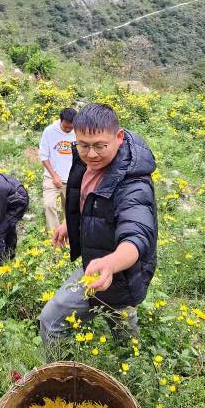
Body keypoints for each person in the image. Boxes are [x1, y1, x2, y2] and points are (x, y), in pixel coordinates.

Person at [38, 103, 157, 345]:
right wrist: (72, 226)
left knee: (118, 327)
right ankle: (63, 375)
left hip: (121, 272)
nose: (91, 154)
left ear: (119, 137)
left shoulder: (133, 183)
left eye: (100, 146)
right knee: (117, 322)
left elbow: (137, 233)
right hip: (99, 262)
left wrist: (110, 263)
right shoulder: (88, 160)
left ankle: (130, 369)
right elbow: (91, 201)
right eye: (84, 145)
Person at [39, 108, 76, 232]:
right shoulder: (49, 131)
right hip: (51, 177)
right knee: (48, 205)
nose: (68, 130)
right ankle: (55, 237)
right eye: (65, 127)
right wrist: (54, 175)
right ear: (61, 120)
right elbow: (44, 157)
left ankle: (69, 235)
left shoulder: (79, 132)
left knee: (70, 210)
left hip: (71, 178)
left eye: (70, 128)